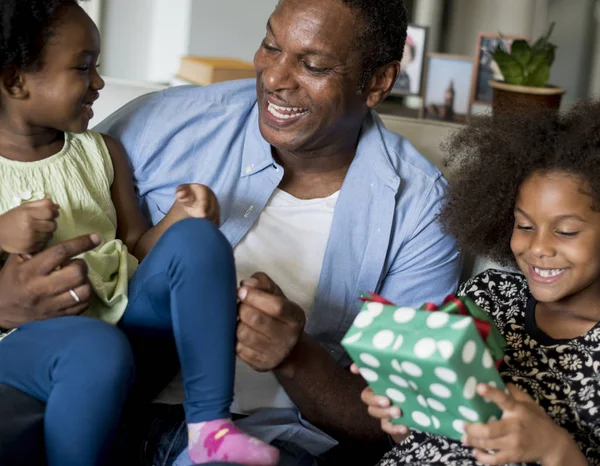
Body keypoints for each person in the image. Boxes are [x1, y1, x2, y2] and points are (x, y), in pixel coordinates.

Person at [97, 0, 462, 464]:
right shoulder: (165, 123)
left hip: (266, 444)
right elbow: (36, 187)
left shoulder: (421, 211)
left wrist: (296, 357)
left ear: (377, 83)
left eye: (312, 65)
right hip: (107, 409)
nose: (273, 78)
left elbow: (402, 429)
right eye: (271, 45)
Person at [0, 1, 278, 465]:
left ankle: (209, 427)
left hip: (126, 323)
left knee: (199, 241)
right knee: (95, 345)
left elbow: (135, 247)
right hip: (27, 349)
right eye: (83, 68)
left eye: (98, 67)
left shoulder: (101, 153)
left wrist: (178, 219)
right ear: (15, 81)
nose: (99, 83)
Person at [357, 102, 600, 465]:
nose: (537, 248)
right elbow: (425, 443)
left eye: (565, 231)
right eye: (524, 226)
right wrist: (404, 414)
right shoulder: (487, 295)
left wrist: (554, 449)